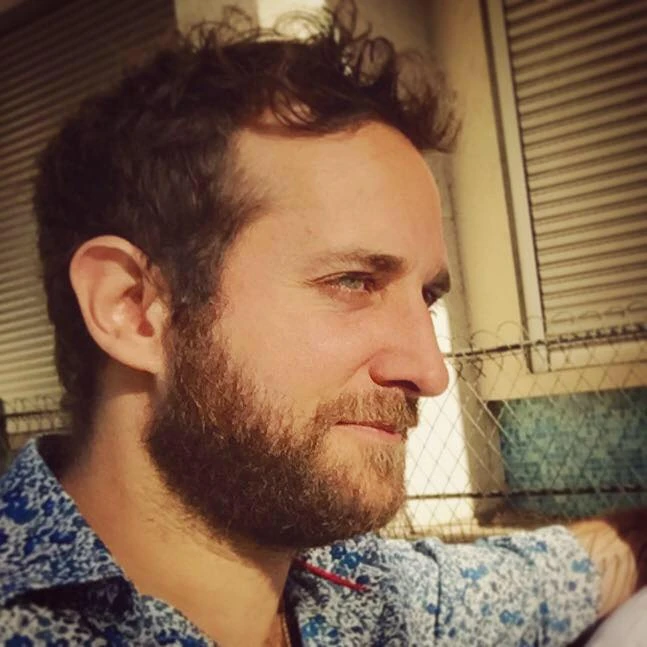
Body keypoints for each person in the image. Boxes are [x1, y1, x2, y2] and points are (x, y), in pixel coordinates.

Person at [0, 4, 644, 646]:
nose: (430, 372)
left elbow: (564, 572)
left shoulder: (369, 596)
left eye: (426, 297)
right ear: (132, 306)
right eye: (354, 282)